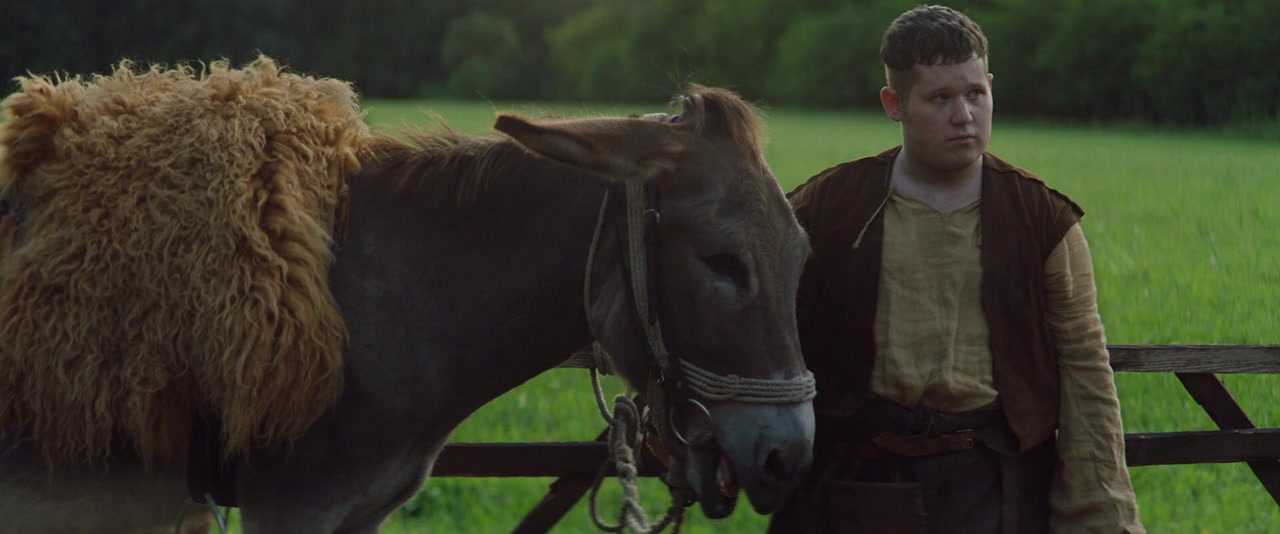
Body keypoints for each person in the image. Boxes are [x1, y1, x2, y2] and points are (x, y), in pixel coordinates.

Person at [770, 5, 1144, 533]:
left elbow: (1083, 363)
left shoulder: (1042, 219)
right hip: (856, 480)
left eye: (975, 93)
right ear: (894, 104)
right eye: (940, 98)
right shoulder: (827, 207)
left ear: (992, 88)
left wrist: (1099, 513)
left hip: (996, 486)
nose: (964, 115)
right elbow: (756, 325)